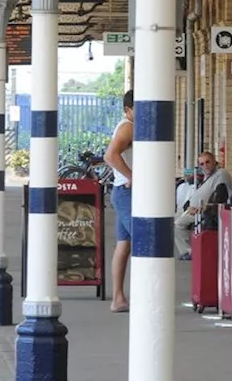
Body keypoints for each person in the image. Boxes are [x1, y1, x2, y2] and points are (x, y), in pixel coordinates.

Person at [102, 89, 134, 313]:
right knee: (144, 241)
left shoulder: (129, 126)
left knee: (124, 245)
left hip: (121, 191)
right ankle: (144, 293)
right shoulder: (128, 127)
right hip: (126, 192)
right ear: (128, 110)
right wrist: (134, 176)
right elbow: (110, 155)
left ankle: (118, 298)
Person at [173, 150, 232, 260]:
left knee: (178, 224)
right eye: (202, 164)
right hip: (194, 209)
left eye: (207, 162)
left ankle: (190, 251)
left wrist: (204, 207)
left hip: (206, 211)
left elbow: (219, 195)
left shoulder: (221, 174)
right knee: (173, 219)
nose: (205, 166)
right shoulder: (207, 176)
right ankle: (189, 250)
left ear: (214, 161)